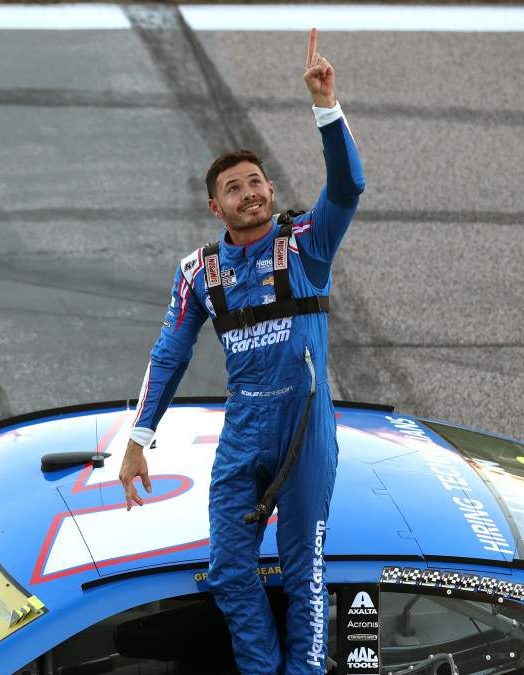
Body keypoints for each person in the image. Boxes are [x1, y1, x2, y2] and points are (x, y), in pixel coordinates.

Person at [118, 28, 364, 675]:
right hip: (245, 428)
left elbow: (348, 187)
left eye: (256, 182)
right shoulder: (197, 271)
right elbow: (168, 354)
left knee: (304, 575)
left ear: (270, 190)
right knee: (229, 571)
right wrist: (138, 439)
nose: (250, 192)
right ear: (215, 205)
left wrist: (325, 106)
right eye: (235, 188)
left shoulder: (306, 244)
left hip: (305, 427)